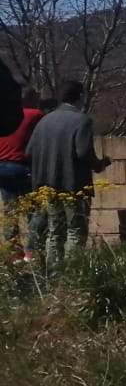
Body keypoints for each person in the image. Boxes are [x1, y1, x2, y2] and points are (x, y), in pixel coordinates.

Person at [25, 81, 108, 266]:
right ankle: (72, 273)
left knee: (54, 229)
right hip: (73, 185)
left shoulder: (44, 121)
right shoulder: (82, 120)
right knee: (75, 230)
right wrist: (99, 165)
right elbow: (83, 152)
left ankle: (53, 272)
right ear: (79, 96)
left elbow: (29, 152)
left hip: (46, 184)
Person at [0, 89, 45, 262]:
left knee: (11, 212)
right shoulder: (34, 114)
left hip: (1, 168)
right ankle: (32, 252)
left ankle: (14, 255)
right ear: (30, 99)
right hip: (20, 166)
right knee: (35, 210)